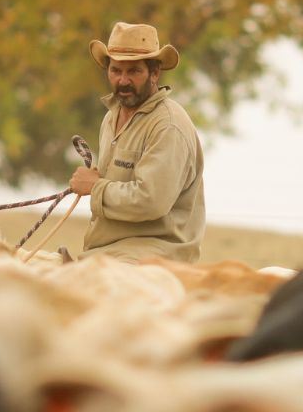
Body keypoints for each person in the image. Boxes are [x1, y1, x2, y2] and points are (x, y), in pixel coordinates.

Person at [71, 22, 205, 262]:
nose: (123, 81)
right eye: (116, 71)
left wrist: (95, 187)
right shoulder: (111, 117)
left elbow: (151, 201)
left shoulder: (168, 125)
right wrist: (96, 181)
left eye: (133, 71)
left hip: (155, 256)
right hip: (108, 252)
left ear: (154, 73)